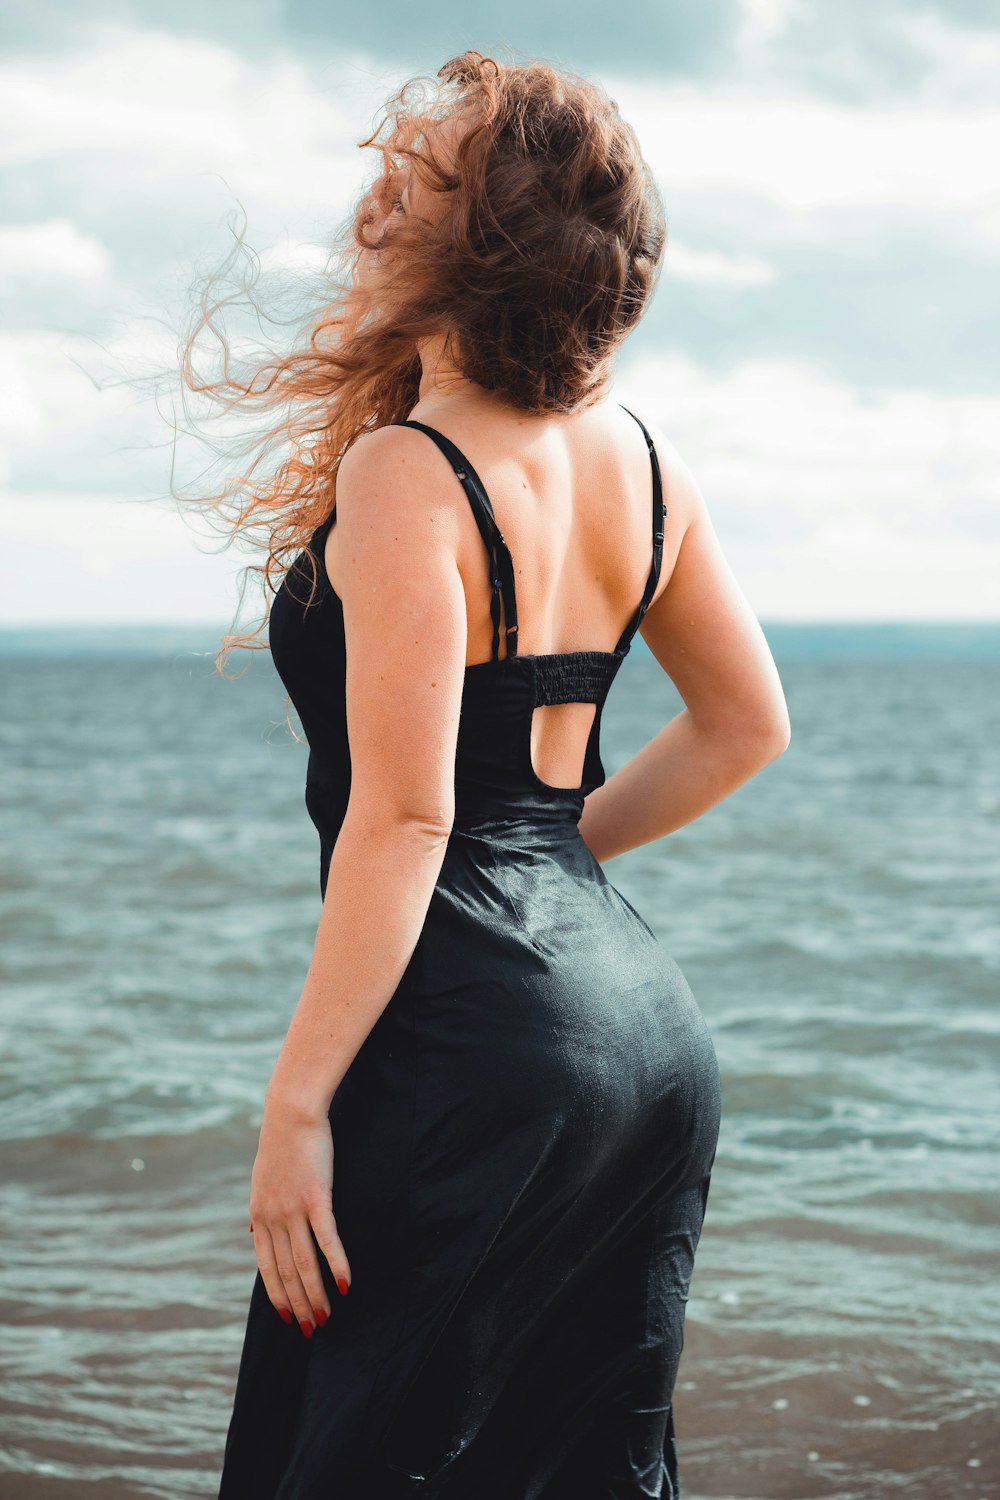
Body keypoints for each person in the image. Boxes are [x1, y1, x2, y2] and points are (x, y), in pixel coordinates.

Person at [213, 48, 790, 1500]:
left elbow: (408, 818)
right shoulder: (644, 461)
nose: (379, 203)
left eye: (410, 185)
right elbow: (745, 724)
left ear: (461, 244)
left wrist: (294, 1106)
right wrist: (551, 861)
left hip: (475, 1053)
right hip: (647, 1045)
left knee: (352, 1461)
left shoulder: (408, 470)